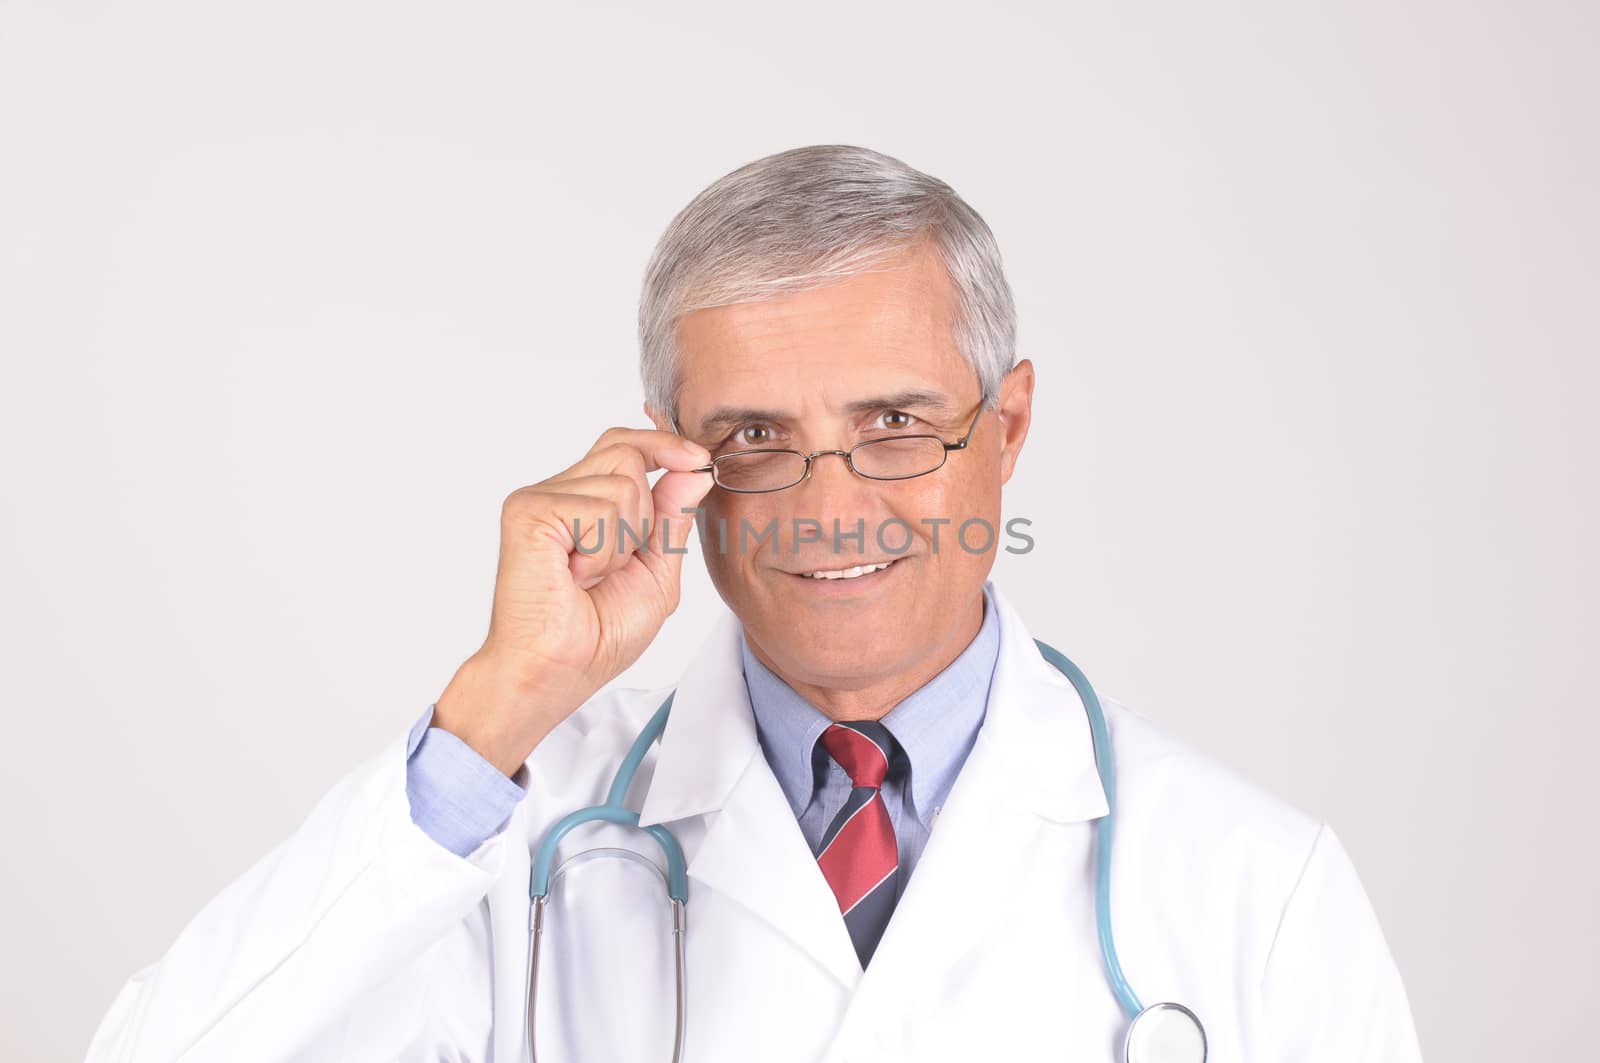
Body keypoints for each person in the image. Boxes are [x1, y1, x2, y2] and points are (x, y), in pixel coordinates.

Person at [86, 144, 1422, 1062]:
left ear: (1006, 427)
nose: (827, 503)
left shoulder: (1253, 885)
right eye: (755, 438)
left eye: (895, 422)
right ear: (671, 457)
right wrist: (500, 705)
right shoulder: (516, 850)